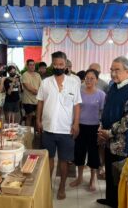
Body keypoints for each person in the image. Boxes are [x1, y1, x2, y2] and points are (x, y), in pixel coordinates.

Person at [97, 56, 128, 207]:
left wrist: (109, 132)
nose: (113, 73)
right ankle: (110, 199)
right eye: (111, 70)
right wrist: (102, 129)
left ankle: (119, 203)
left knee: (120, 177)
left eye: (117, 70)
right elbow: (108, 110)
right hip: (109, 139)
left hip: (122, 143)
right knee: (110, 173)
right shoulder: (114, 87)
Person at [36, 51, 82, 200]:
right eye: (55, 64)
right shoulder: (45, 82)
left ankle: (62, 186)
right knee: (48, 158)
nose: (58, 66)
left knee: (64, 160)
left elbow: (77, 105)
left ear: (66, 64)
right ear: (52, 64)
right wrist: (38, 120)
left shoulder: (74, 83)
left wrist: (76, 123)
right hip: (48, 127)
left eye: (61, 64)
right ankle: (47, 185)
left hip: (66, 128)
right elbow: (40, 102)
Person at [69, 69, 105, 191]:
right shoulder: (79, 92)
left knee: (93, 154)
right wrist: (74, 125)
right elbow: (74, 110)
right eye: (87, 78)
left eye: (92, 78)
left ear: (97, 80)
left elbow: (103, 113)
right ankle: (79, 178)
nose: (89, 80)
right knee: (79, 152)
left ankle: (92, 178)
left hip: (94, 128)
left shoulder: (101, 95)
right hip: (80, 126)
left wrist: (101, 128)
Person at [22, 59, 41, 127]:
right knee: (29, 116)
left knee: (37, 117)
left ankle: (35, 133)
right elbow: (28, 87)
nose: (32, 66)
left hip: (37, 100)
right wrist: (38, 92)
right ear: (27, 66)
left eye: (33, 65)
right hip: (28, 101)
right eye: (30, 65)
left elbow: (41, 86)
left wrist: (39, 93)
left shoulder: (38, 75)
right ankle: (28, 132)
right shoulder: (25, 75)